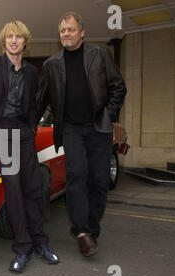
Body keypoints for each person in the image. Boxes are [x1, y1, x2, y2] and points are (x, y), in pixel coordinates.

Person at [0, 21, 59, 273]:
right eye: (9, 36)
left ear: (25, 42)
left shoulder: (32, 72)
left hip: (23, 133)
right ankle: (22, 248)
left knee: (34, 189)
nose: (13, 40)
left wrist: (31, 128)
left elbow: (33, 105)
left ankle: (41, 243)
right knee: (14, 190)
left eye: (18, 37)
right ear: (3, 41)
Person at [36, 12, 127, 257]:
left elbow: (118, 87)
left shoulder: (100, 55)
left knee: (99, 181)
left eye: (71, 29)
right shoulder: (51, 65)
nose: (67, 33)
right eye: (63, 30)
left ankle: (91, 229)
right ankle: (80, 232)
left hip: (99, 128)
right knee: (76, 175)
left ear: (82, 33)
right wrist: (27, 126)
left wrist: (108, 114)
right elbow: (40, 100)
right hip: (71, 129)